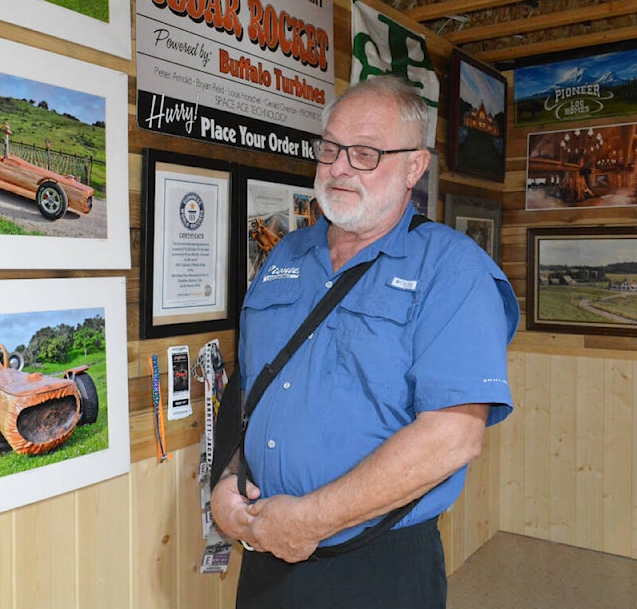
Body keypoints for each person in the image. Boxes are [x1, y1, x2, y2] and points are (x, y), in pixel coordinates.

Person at [210, 75, 519, 608]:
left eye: (366, 153)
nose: (339, 167)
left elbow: (453, 437)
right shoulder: (285, 256)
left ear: (414, 168)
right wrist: (227, 480)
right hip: (266, 550)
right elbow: (251, 382)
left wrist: (310, 520)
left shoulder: (452, 269)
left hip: (380, 565)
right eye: (330, 147)